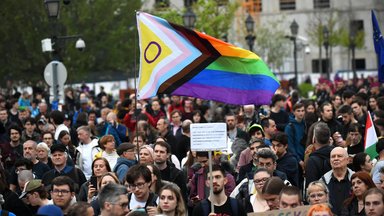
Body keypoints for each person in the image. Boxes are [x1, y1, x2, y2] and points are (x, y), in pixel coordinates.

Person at [320, 147, 354, 215]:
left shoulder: (356, 180)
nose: (336, 159)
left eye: (339, 156)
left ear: (347, 160)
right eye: (333, 157)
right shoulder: (322, 182)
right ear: (330, 161)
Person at [305, 122, 334, 188]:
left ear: (314, 139)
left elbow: (311, 185)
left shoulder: (312, 160)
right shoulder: (337, 155)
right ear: (329, 139)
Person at [284, 103, 306, 172]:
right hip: (296, 159)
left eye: (302, 111)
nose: (301, 113)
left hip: (305, 157)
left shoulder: (305, 124)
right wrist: (298, 160)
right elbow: (290, 146)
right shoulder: (290, 127)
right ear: (293, 112)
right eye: (298, 111)